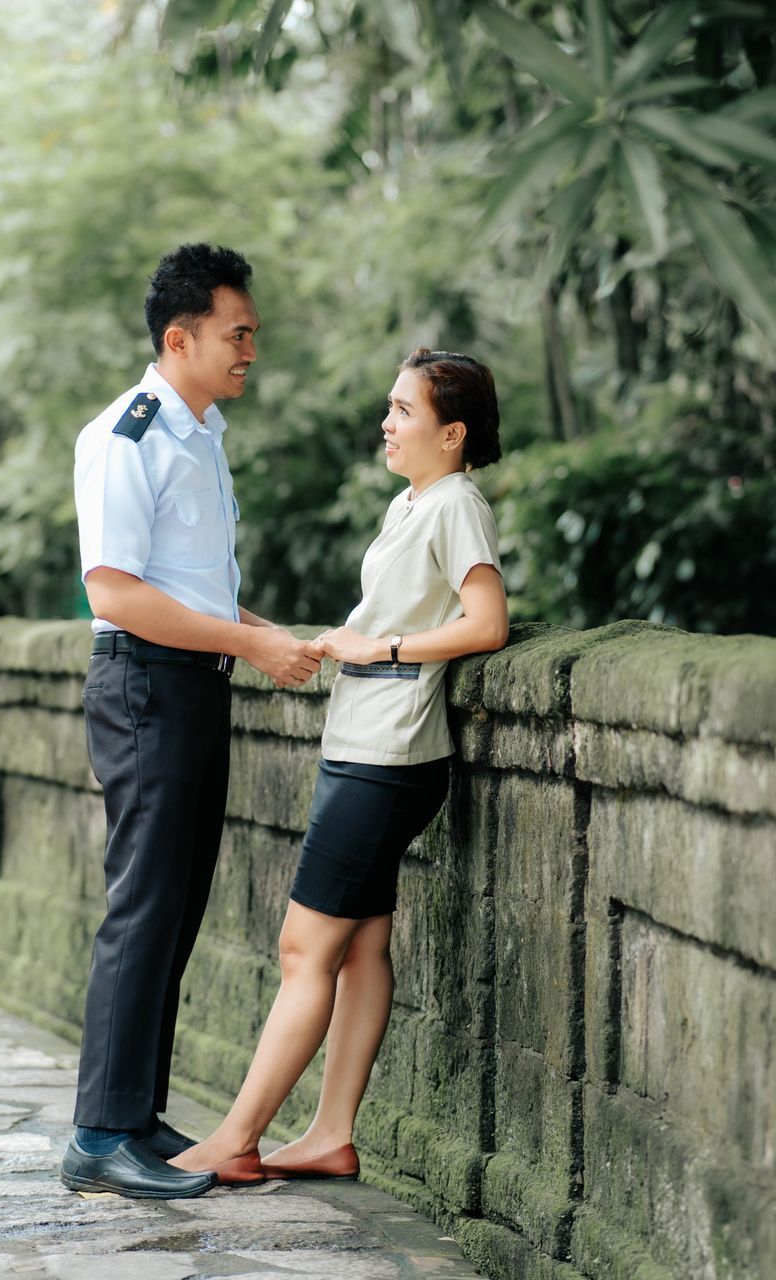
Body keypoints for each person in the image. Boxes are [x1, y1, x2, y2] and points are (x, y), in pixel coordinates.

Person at [168, 347, 509, 1187]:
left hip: (386, 758)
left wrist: (380, 649)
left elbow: (487, 623)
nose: (386, 423)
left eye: (404, 411)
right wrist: (328, 639)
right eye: (389, 407)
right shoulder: (412, 502)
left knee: (303, 948)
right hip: (366, 746)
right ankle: (328, 1134)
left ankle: (238, 1137)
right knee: (359, 948)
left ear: (453, 434)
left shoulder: (456, 504)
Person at [59, 244, 323, 1200]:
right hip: (145, 686)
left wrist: (261, 635)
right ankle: (98, 1135)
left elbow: (193, 591)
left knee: (176, 906)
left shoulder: (200, 433)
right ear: (180, 339)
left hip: (194, 683)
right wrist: (250, 645)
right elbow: (116, 594)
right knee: (144, 905)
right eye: (236, 334)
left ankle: (134, 1116)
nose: (251, 350)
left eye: (252, 333)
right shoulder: (127, 437)